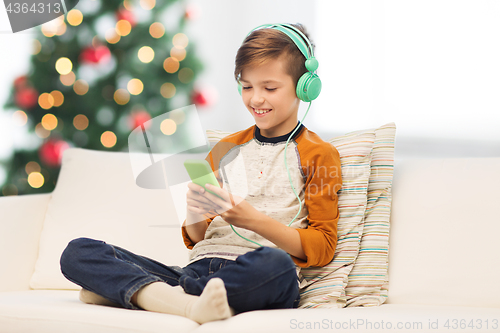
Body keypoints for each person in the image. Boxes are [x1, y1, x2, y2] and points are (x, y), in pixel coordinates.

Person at [60, 23, 342, 324]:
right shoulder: (225, 149)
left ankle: (147, 294)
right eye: (247, 87)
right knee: (78, 252)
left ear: (304, 87)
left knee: (277, 266)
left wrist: (253, 220)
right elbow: (197, 237)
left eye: (269, 88)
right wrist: (195, 211)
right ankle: (190, 300)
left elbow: (322, 247)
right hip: (197, 270)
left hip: (258, 272)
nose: (256, 99)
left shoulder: (318, 153)